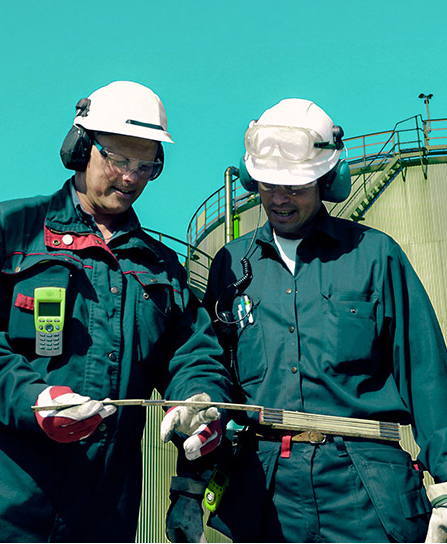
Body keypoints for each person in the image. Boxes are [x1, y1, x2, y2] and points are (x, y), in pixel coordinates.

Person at [0, 80, 232, 543]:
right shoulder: (11, 230)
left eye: (148, 166)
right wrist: (32, 399)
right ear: (81, 147)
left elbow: (194, 353)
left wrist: (198, 399)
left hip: (103, 510)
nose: (131, 177)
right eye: (119, 159)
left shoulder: (161, 268)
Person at [168, 98, 447, 542]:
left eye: (294, 187)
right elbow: (210, 378)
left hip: (366, 491)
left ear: (326, 181)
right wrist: (188, 486)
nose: (278, 199)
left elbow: (427, 373)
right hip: (264, 493)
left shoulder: (375, 255)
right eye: (267, 185)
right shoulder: (230, 264)